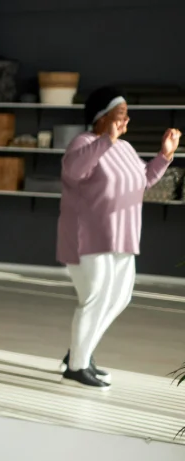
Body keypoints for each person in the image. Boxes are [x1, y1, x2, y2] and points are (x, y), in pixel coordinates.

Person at [57, 87, 180, 389]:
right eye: (119, 114)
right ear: (102, 117)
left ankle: (79, 353)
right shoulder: (83, 143)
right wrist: (106, 140)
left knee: (120, 297)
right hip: (89, 236)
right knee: (95, 298)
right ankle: (77, 365)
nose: (125, 121)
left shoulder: (124, 148)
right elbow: (74, 170)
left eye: (125, 115)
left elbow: (143, 180)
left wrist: (165, 155)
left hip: (123, 234)